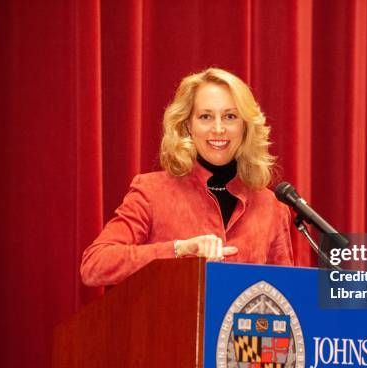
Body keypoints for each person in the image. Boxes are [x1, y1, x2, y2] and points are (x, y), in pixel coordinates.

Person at [80, 68, 294, 286]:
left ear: (245, 126)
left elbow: (287, 294)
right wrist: (179, 249)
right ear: (188, 126)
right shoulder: (152, 191)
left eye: (230, 116)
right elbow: (95, 266)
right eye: (205, 117)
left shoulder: (272, 208)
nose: (218, 129)